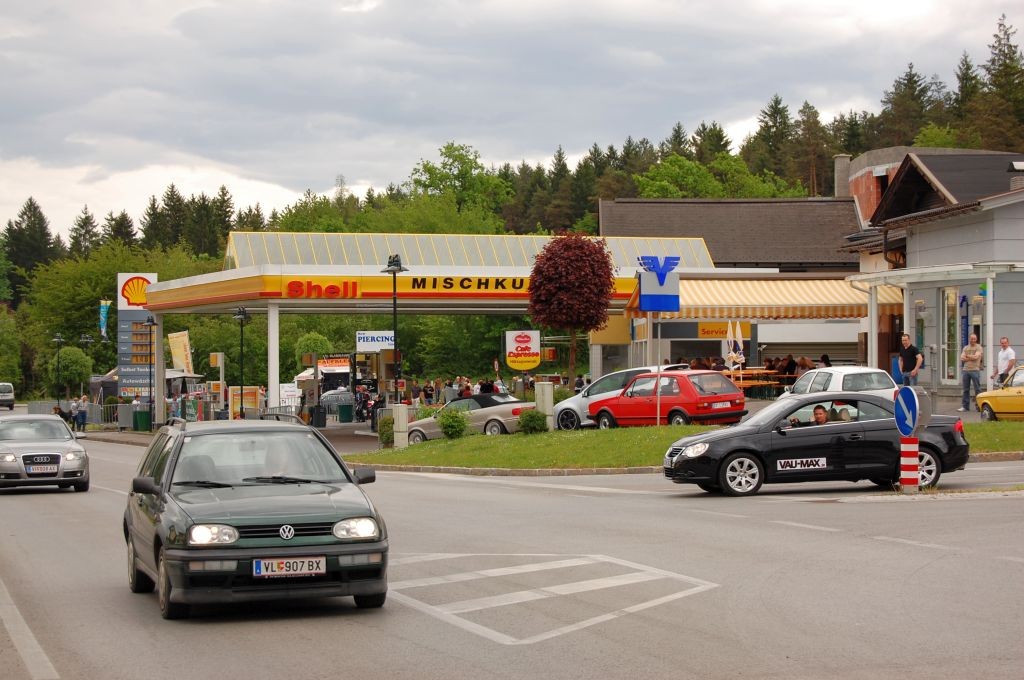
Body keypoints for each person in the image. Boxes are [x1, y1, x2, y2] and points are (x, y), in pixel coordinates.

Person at [959, 334, 983, 412]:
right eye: (971, 339)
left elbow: (976, 357)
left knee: (977, 389)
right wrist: (971, 357)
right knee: (965, 389)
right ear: (969, 339)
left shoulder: (978, 347)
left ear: (976, 339)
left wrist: (967, 356)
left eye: (974, 339)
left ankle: (979, 406)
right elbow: (962, 358)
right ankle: (965, 406)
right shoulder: (965, 347)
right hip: (966, 370)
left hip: (975, 370)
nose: (973, 340)